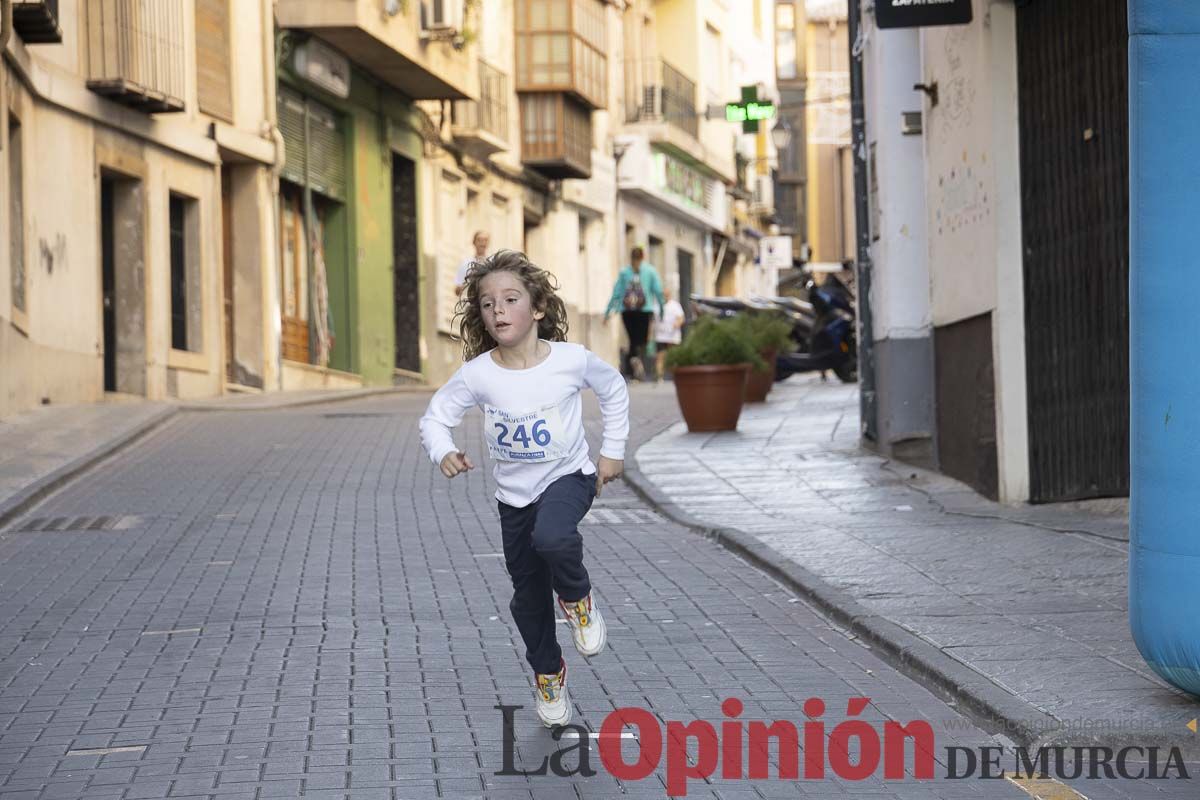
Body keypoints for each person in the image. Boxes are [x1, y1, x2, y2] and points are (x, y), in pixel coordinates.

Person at [419, 250, 630, 729]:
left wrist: (611, 451)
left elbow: (614, 389)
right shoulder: (479, 374)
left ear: (536, 308)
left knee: (553, 537)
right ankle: (548, 674)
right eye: (488, 303)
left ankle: (578, 601)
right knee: (527, 597)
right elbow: (435, 417)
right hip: (513, 499)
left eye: (510, 299)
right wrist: (443, 451)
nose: (498, 310)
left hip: (569, 477)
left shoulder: (570, 361)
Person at [604, 246, 664, 381]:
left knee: (632, 340)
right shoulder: (650, 271)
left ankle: (633, 371)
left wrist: (608, 312)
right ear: (643, 257)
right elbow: (658, 291)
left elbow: (617, 293)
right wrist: (662, 308)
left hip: (627, 312)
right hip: (644, 310)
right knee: (642, 340)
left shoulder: (624, 272)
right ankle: (637, 360)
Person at [653, 288, 685, 382]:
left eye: (666, 295)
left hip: (673, 336)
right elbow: (653, 321)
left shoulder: (675, 305)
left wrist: (677, 324)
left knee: (673, 356)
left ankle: (675, 375)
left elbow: (681, 318)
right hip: (660, 336)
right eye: (663, 295)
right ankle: (659, 377)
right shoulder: (656, 306)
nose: (665, 297)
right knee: (660, 356)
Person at [454, 230, 491, 296]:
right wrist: (469, 281)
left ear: (488, 243)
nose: (482, 243)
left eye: (485, 240)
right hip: (470, 303)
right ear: (474, 242)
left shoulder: (493, 263)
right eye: (479, 240)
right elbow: (457, 291)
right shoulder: (465, 264)